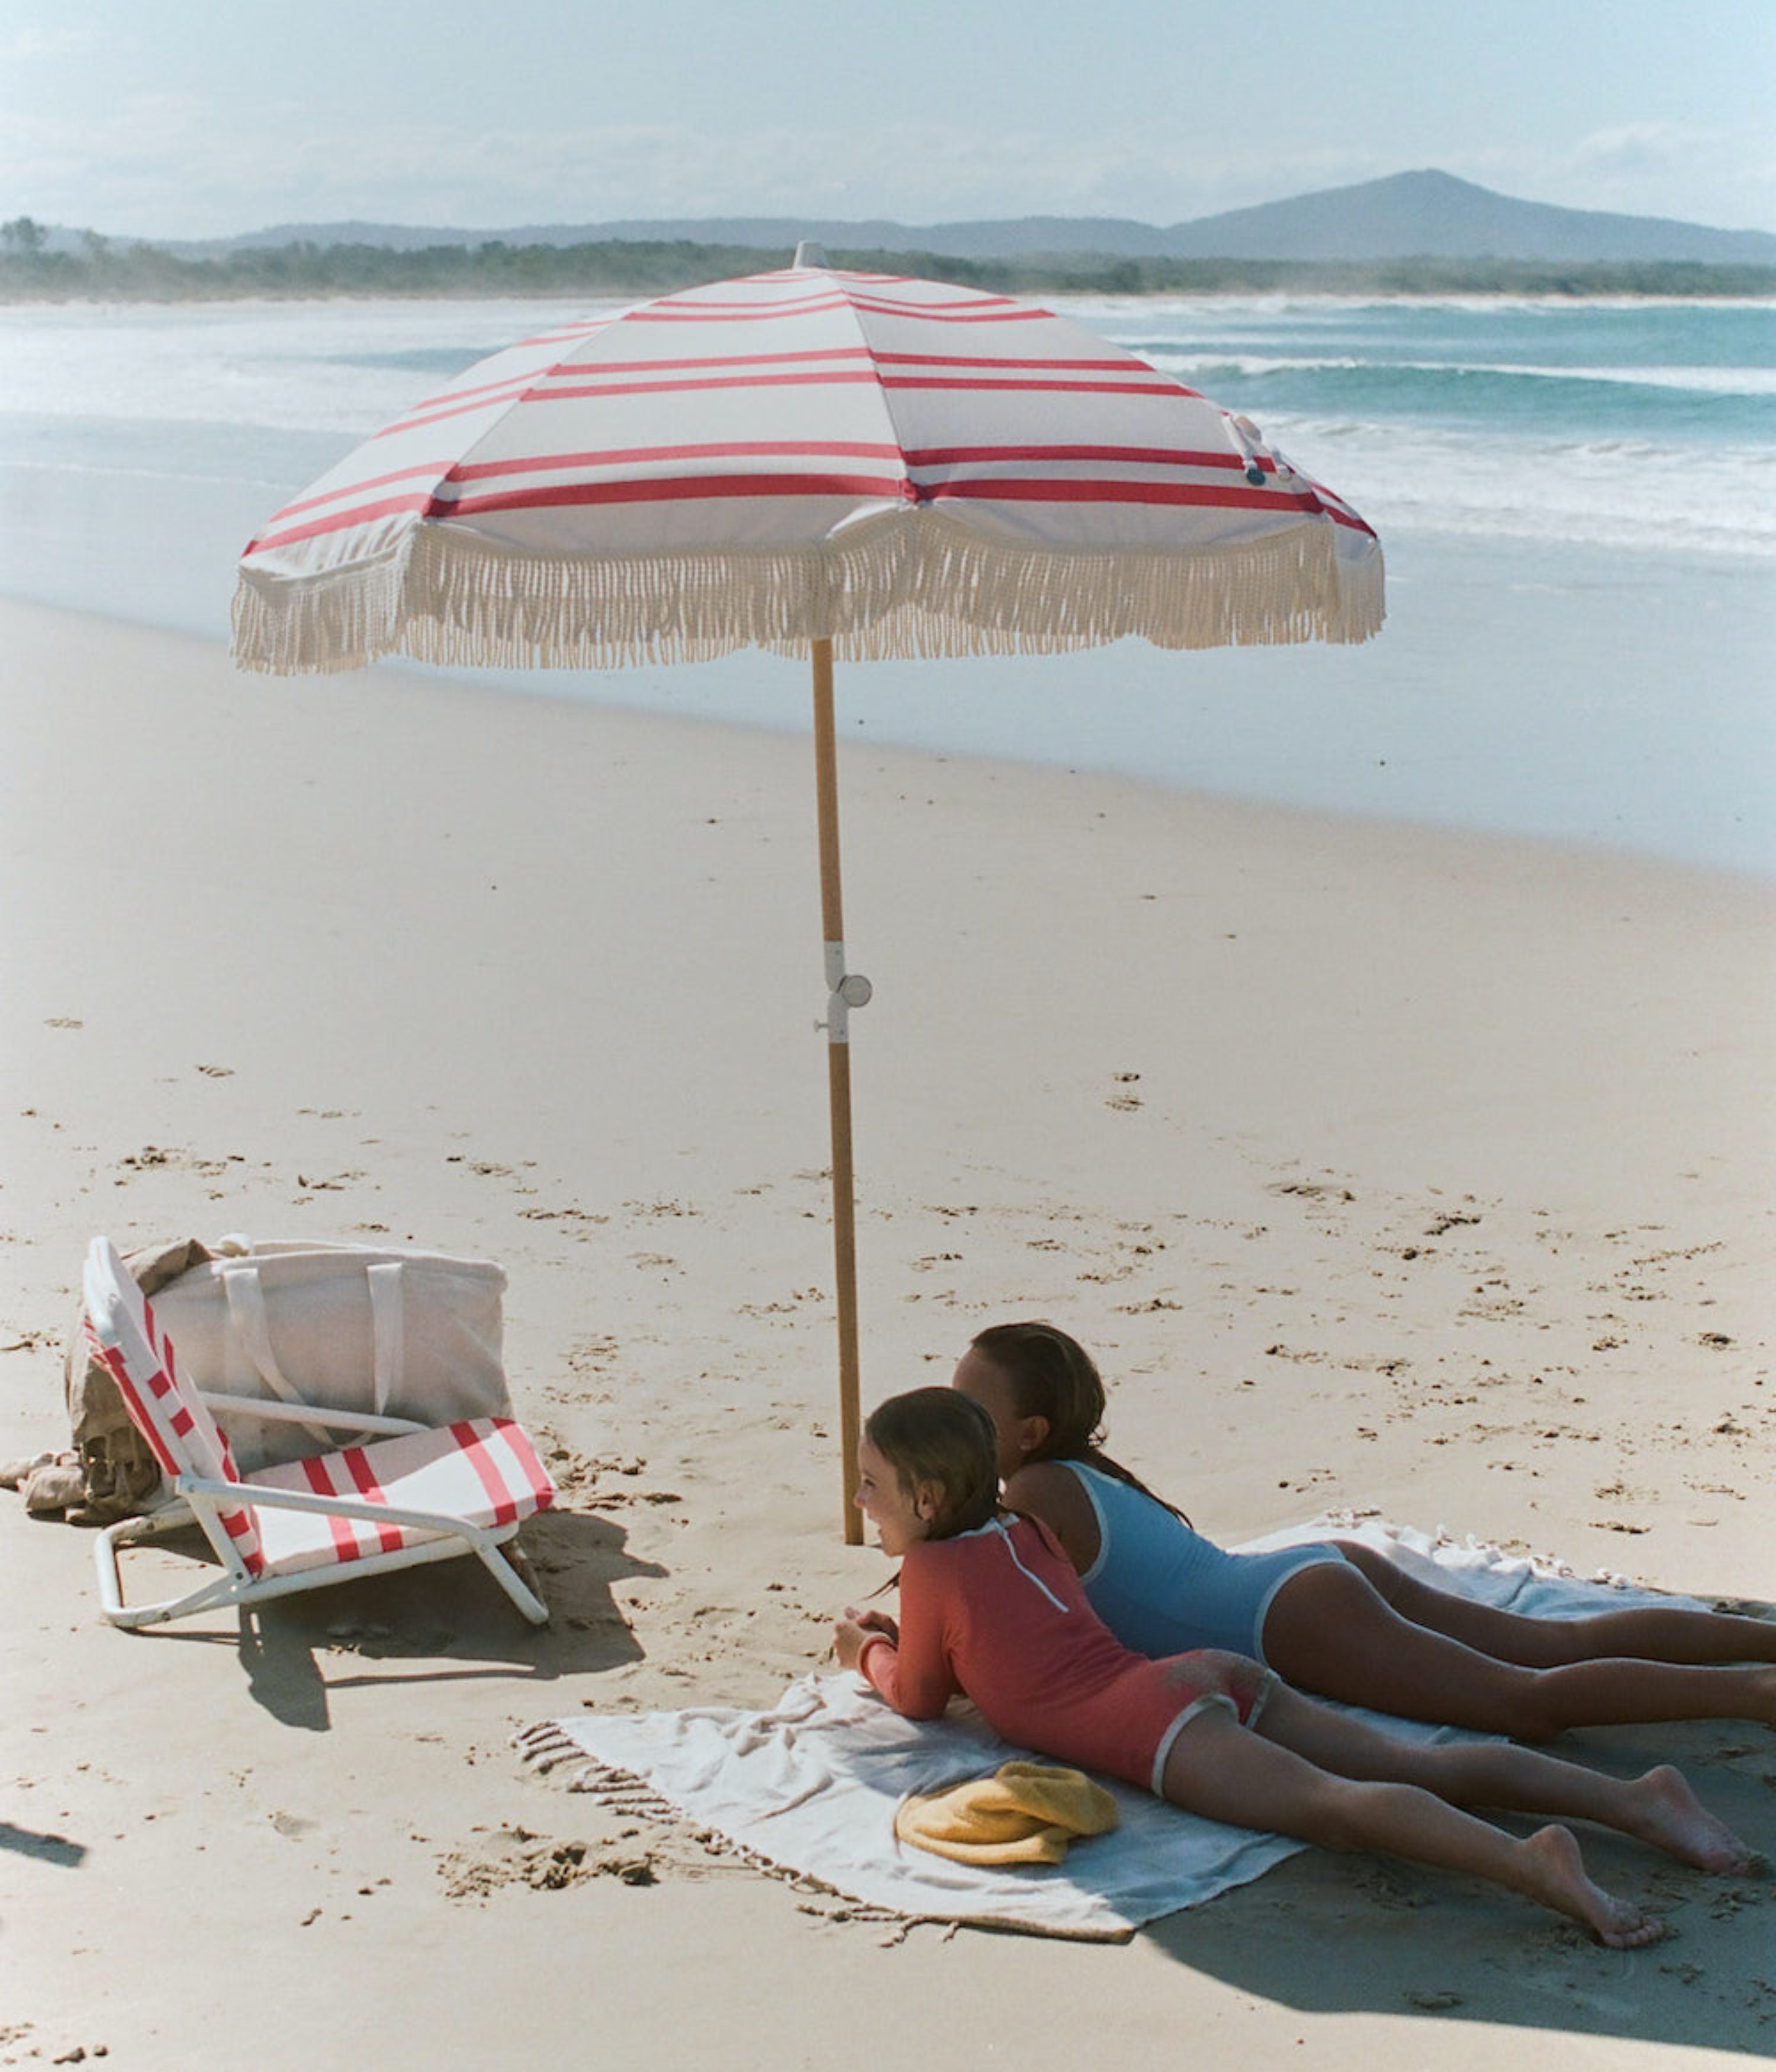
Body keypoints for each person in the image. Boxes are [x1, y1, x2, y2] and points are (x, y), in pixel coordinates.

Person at [835, 1388, 1756, 1948]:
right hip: (1205, 1672)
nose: (860, 1499)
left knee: (1338, 1810)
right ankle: (1632, 1800)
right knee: (1421, 1764)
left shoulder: (929, 1572)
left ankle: (1530, 1861)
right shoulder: (1024, 1529)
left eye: (870, 1484)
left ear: (922, 1498)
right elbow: (1007, 1645)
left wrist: (868, 1649)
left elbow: (921, 1694)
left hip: (1149, 1722)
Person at [951, 1321, 1776, 1737]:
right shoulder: (1074, 1470)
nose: (952, 1417)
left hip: (1290, 1614)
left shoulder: (1033, 1493)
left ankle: (1755, 1695)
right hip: (1302, 1577)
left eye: (969, 1405)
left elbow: (1026, 1630)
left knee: (1525, 1702)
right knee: (1542, 1647)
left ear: (1029, 1429)